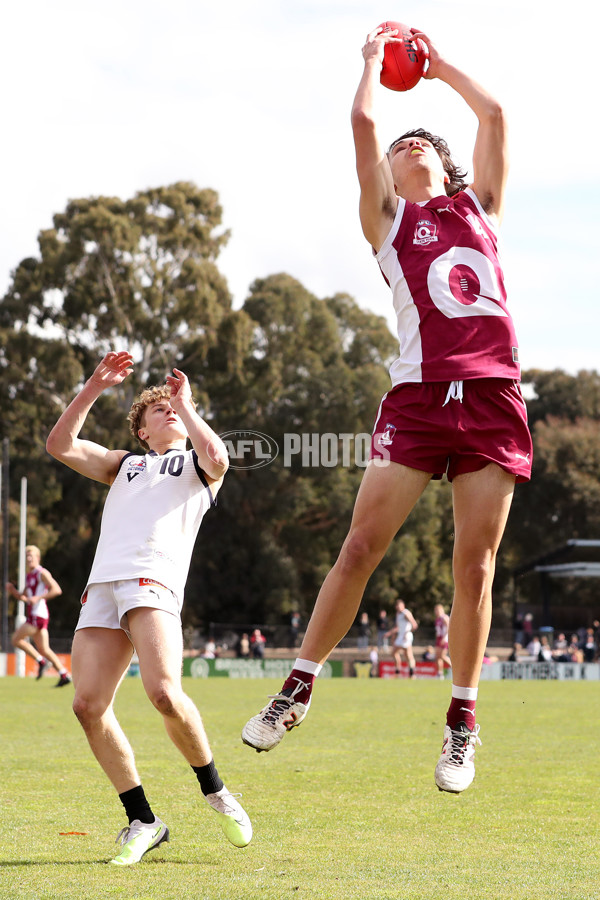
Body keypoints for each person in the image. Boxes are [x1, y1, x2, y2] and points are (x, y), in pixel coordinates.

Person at [242, 23, 533, 796]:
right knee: (361, 545)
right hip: (417, 398)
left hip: (494, 396)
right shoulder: (386, 223)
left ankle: (462, 724)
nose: (407, 146)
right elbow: (366, 122)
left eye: (421, 143)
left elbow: (496, 114)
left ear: (443, 161)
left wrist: (437, 71)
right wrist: (373, 63)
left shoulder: (482, 210)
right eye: (399, 146)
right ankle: (297, 687)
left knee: (473, 567)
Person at [45, 350, 252, 865]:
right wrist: (94, 386)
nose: (169, 413)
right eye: (158, 410)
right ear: (140, 430)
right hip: (102, 586)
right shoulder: (125, 464)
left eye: (175, 409)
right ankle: (142, 820)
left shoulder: (198, 465)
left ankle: (216, 790)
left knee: (163, 693)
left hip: (152, 580)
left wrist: (187, 405)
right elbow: (59, 445)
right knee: (87, 706)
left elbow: (221, 459)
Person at [7, 545, 72, 687]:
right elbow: (23, 597)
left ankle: (41, 661)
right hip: (36, 615)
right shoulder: (29, 576)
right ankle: (64, 674)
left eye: (31, 556)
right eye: (27, 556)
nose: (29, 558)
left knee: (16, 639)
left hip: (38, 615)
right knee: (44, 649)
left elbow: (57, 590)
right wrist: (12, 590)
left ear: (38, 558)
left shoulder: (42, 573)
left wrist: (39, 598)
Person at [385, 599, 418, 678]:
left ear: (403, 605)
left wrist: (407, 633)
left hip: (406, 637)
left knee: (408, 655)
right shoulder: (398, 614)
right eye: (397, 606)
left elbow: (414, 625)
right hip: (400, 636)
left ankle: (411, 674)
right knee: (394, 653)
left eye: (399, 606)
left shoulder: (406, 613)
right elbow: (398, 627)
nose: (398, 607)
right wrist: (390, 633)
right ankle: (398, 672)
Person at [434, 603, 451, 680]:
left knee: (442, 656)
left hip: (444, 639)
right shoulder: (437, 619)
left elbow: (448, 628)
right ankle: (440, 674)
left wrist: (444, 638)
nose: (436, 612)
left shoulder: (445, 618)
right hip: (439, 638)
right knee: (437, 657)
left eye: (438, 610)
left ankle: (453, 668)